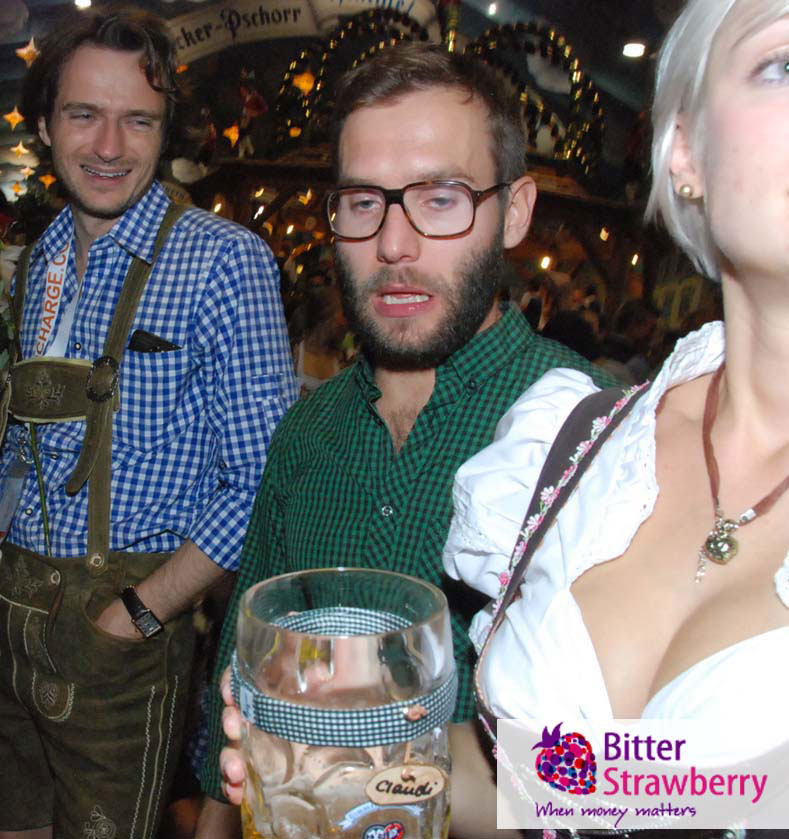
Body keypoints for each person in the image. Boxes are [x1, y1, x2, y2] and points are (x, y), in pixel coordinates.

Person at [195, 42, 615, 836]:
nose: (392, 245)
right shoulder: (306, 433)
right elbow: (240, 680)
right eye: (362, 202)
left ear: (515, 212)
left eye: (441, 197)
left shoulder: (593, 437)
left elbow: (642, 768)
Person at [438, 0, 789, 831]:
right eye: (785, 64)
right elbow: (557, 792)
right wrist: (360, 756)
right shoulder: (577, 450)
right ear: (684, 152)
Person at [0, 10, 294, 839]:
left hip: (114, 621)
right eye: (83, 115)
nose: (109, 145)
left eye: (137, 119)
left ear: (163, 130)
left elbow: (259, 474)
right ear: (43, 125)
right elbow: (26, 428)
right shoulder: (40, 255)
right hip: (6, 607)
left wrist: (143, 610)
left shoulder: (223, 259)